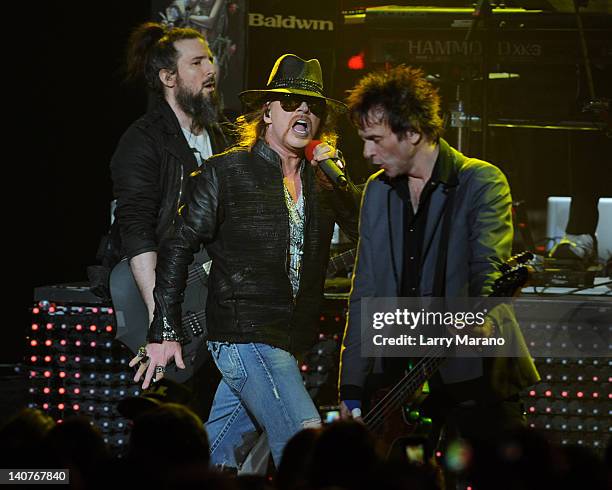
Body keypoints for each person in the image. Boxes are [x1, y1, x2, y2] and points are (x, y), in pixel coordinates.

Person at [131, 54, 361, 469]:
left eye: (313, 105)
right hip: (243, 336)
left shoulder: (323, 182)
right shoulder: (226, 172)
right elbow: (178, 247)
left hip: (288, 341)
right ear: (267, 111)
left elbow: (368, 230)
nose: (304, 110)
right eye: (291, 102)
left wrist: (338, 176)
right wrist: (164, 328)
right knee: (307, 445)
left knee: (220, 454)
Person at [338, 66, 540, 444]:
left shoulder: (480, 181)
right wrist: (352, 384)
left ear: (413, 132)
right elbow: (363, 291)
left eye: (376, 139)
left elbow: (487, 271)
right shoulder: (377, 192)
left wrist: (476, 316)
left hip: (474, 374)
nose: (366, 152)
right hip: (399, 380)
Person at [110, 22, 233, 340]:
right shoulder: (143, 140)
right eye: (197, 62)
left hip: (219, 294)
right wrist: (160, 318)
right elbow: (137, 232)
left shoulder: (223, 136)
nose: (211, 69)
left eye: (210, 59)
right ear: (168, 77)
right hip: (174, 288)